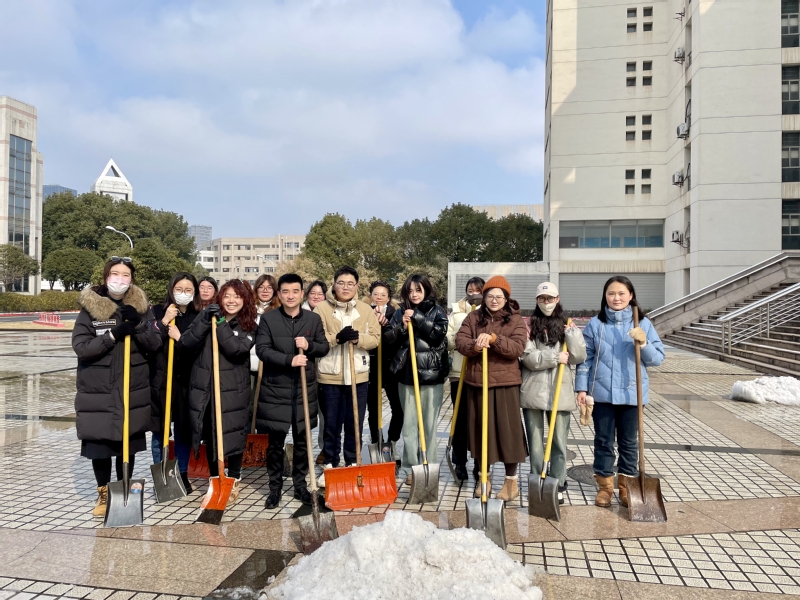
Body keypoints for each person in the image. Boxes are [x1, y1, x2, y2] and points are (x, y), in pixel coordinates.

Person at [72, 257, 162, 517]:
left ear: (131, 280)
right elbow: (81, 347)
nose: (120, 279)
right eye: (115, 274)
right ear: (106, 277)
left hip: (132, 389)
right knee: (99, 445)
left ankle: (123, 490)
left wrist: (140, 325)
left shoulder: (141, 309)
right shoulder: (90, 310)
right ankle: (102, 493)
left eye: (125, 275)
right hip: (99, 390)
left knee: (127, 444)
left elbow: (154, 344)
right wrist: (112, 336)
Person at [576, 276, 665, 508]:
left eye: (621, 293)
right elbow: (586, 358)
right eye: (611, 293)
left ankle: (627, 487)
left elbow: (657, 359)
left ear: (631, 295)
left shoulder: (642, 324)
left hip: (631, 394)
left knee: (628, 442)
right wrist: (582, 388)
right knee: (603, 441)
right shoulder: (596, 324)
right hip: (602, 394)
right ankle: (605, 488)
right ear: (605, 296)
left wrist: (644, 344)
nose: (616, 298)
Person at [255, 274, 329, 509]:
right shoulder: (268, 319)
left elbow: (324, 347)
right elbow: (262, 350)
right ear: (279, 294)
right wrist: (289, 360)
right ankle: (274, 488)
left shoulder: (312, 319)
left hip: (303, 390)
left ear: (302, 294)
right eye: (285, 291)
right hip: (275, 391)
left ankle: (300, 486)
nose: (290, 296)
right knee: (275, 444)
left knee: (302, 442)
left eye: (295, 291)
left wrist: (309, 346)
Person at [182, 279, 257, 505]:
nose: (231, 300)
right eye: (227, 296)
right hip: (206, 389)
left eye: (237, 296)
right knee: (211, 435)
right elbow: (186, 343)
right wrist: (205, 320)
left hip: (233, 391)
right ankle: (216, 479)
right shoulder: (207, 317)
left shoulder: (249, 326)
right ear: (219, 298)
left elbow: (236, 349)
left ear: (245, 300)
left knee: (233, 434)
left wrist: (221, 323)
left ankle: (233, 479)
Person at [455, 276, 528, 502]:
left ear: (506, 299)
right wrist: (475, 345)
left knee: (508, 432)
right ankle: (483, 478)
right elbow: (460, 342)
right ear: (484, 297)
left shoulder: (515, 320)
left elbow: (517, 348)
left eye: (499, 296)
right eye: (490, 296)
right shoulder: (473, 317)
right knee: (480, 430)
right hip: (478, 383)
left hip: (505, 383)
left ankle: (511, 482)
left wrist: (495, 339)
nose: (494, 300)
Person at [313, 266, 380, 487]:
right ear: (334, 284)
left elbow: (375, 338)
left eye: (350, 283)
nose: (345, 287)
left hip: (358, 376)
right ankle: (330, 464)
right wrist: (337, 338)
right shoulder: (322, 309)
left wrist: (358, 338)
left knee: (354, 423)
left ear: (357, 286)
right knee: (331, 424)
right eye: (341, 283)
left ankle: (352, 462)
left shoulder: (365, 309)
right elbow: (317, 338)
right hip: (329, 376)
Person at [520, 282, 586, 505]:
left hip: (561, 390)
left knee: (559, 440)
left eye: (550, 298)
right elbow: (527, 357)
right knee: (535, 442)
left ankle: (557, 482)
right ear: (537, 300)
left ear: (557, 299)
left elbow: (578, 357)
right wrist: (554, 358)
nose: (546, 302)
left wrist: (572, 335)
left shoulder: (567, 324)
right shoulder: (528, 325)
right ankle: (537, 478)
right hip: (533, 390)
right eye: (542, 298)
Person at [384, 274, 448, 485]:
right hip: (407, 375)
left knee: (429, 424)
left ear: (426, 290)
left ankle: (429, 465)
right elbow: (388, 340)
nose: (414, 295)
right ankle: (411, 468)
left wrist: (418, 318)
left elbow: (438, 335)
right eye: (410, 291)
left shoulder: (437, 311)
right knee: (410, 424)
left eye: (418, 290)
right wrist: (402, 327)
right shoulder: (400, 312)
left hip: (431, 375)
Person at [149, 272, 202, 494]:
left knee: (183, 429)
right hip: (161, 379)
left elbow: (198, 349)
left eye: (188, 290)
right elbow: (149, 342)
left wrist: (181, 338)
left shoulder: (197, 316)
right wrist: (163, 322)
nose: (183, 293)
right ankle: (161, 474)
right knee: (160, 430)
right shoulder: (156, 311)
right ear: (171, 289)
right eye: (179, 289)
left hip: (185, 380)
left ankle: (181, 473)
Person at [446, 276, 484, 482]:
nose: (473, 293)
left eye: (478, 290)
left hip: (480, 373)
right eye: (470, 290)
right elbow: (448, 340)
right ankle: (459, 461)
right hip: (458, 371)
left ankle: (479, 462)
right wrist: (461, 336)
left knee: (479, 419)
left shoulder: (488, 311)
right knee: (460, 419)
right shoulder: (457, 312)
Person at [366, 280, 403, 460]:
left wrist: (386, 324)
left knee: (399, 408)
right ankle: (376, 441)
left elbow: (398, 337)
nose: (379, 297)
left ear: (389, 298)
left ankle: (392, 441)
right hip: (371, 367)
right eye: (376, 294)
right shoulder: (364, 313)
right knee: (373, 410)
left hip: (391, 367)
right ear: (370, 296)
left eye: (383, 295)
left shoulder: (396, 314)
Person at [302, 278, 328, 461]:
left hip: (325, 370)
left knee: (325, 412)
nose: (316, 296)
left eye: (320, 294)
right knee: (304, 412)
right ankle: (302, 449)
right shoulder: (299, 313)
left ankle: (324, 448)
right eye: (313, 293)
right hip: (304, 369)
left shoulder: (329, 313)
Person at [250, 274, 280, 414]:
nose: (265, 290)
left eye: (269, 287)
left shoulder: (279, 311)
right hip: (249, 364)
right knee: (249, 403)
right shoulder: (248, 309)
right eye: (261, 287)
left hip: (269, 365)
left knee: (265, 405)